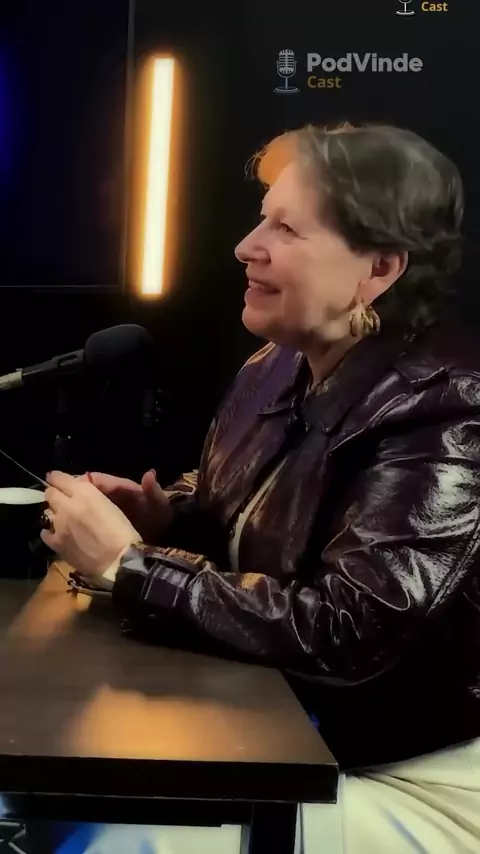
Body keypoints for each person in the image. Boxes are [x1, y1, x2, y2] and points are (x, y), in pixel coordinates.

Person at [40, 122, 480, 853]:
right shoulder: (274, 364)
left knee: (124, 841)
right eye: (261, 219)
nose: (247, 246)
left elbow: (348, 633)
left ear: (378, 268)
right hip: (278, 733)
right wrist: (168, 519)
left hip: (407, 776)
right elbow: (258, 520)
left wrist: (129, 566)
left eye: (287, 228)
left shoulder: (450, 410)